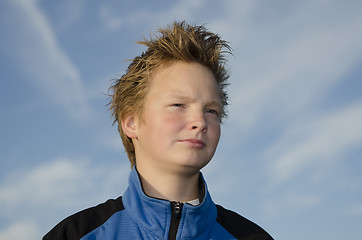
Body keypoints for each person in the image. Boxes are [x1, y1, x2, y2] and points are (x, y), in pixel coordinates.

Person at [43, 21, 273, 240]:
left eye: (211, 111)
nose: (200, 121)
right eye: (178, 105)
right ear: (131, 123)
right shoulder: (75, 234)